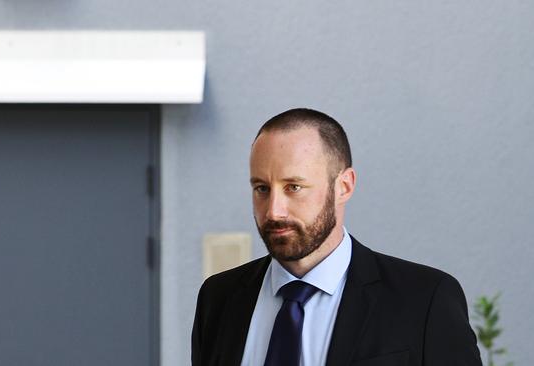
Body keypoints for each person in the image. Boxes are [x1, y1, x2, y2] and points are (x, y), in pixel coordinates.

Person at [192, 108, 482, 366]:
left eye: (294, 187)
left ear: (343, 186)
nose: (274, 211)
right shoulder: (219, 298)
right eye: (261, 188)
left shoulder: (424, 299)